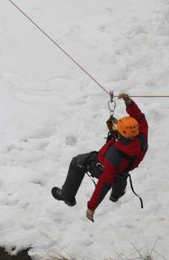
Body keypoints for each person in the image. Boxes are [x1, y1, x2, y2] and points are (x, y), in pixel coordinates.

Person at [51, 93, 148, 222]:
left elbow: (103, 185)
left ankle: (67, 196)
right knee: (119, 175)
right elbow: (139, 118)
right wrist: (129, 102)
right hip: (122, 168)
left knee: (77, 162)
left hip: (103, 166)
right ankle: (117, 192)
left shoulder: (114, 158)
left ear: (122, 134)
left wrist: (91, 207)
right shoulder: (141, 136)